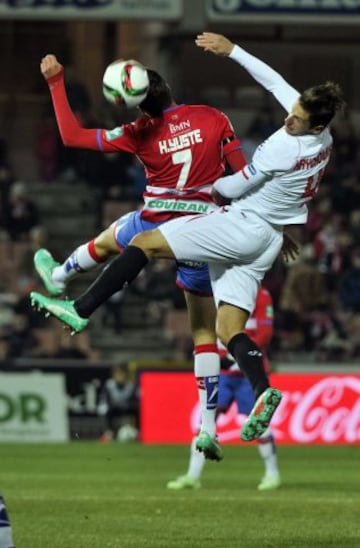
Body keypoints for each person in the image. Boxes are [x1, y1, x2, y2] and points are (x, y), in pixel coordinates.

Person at [31, 32, 344, 445]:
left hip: (233, 224)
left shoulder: (278, 150)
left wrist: (205, 196)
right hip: (267, 236)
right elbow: (271, 82)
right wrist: (232, 50)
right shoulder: (300, 134)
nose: (289, 117)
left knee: (137, 242)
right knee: (225, 330)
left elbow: (232, 188)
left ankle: (80, 306)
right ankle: (261, 390)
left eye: (297, 118)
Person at [32, 53, 248, 461]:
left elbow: (73, 137)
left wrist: (56, 82)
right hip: (204, 230)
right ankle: (208, 427)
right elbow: (241, 174)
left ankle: (62, 277)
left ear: (132, 100)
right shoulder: (212, 116)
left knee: (115, 235)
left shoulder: (137, 131)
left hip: (155, 223)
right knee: (203, 332)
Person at [167, 286, 281, 491]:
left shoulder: (260, 293)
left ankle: (272, 474)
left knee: (260, 421)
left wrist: (233, 358)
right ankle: (192, 476)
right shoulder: (215, 288)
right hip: (221, 372)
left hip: (248, 373)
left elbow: (265, 332)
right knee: (205, 422)